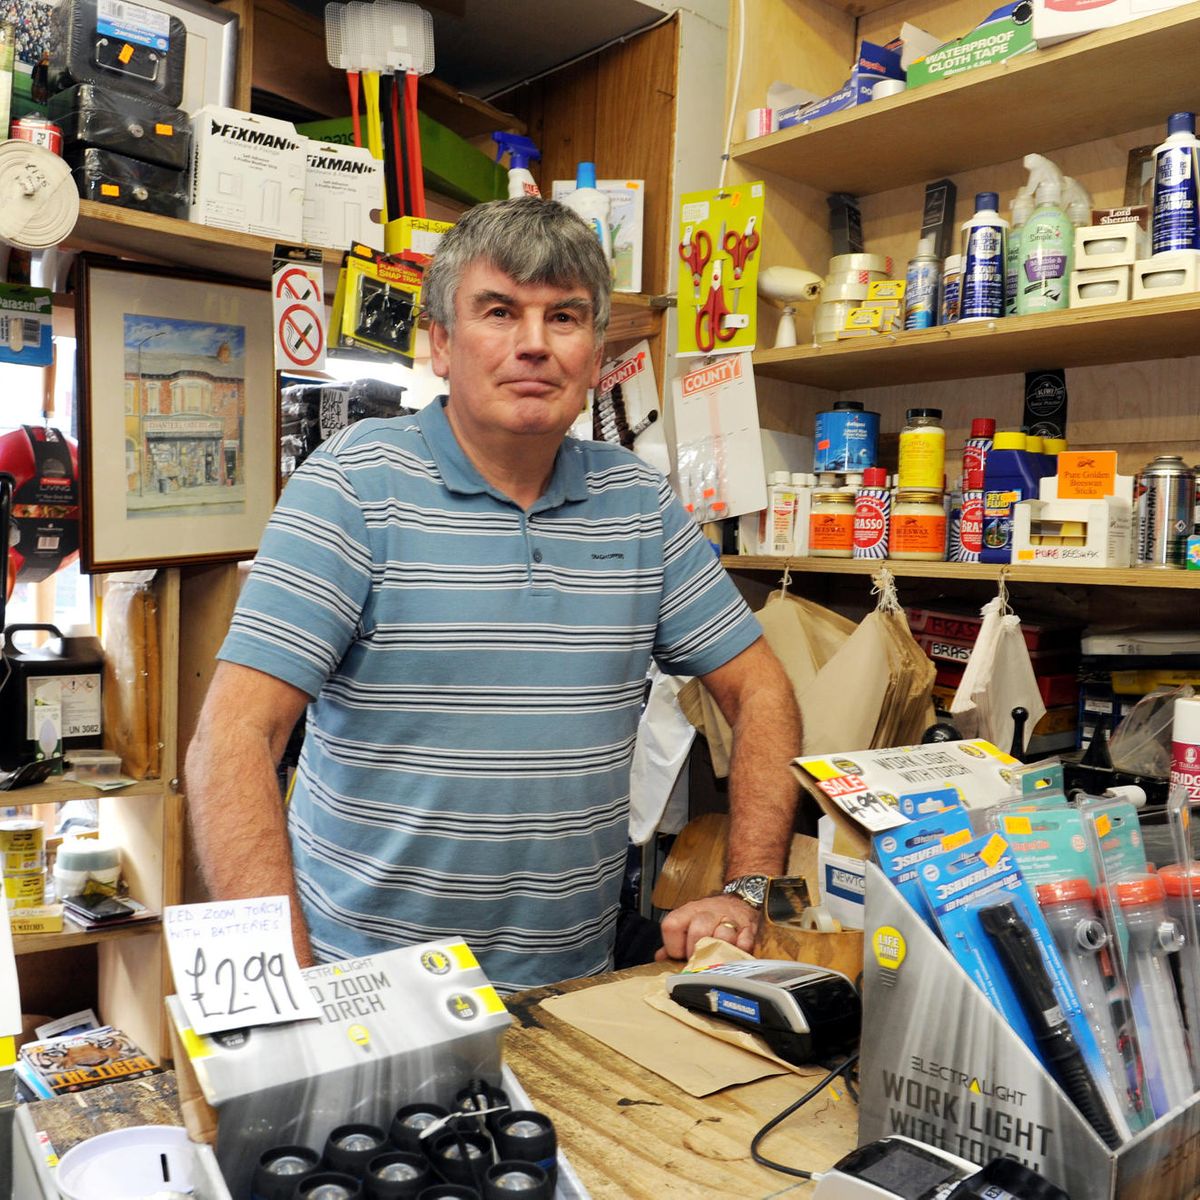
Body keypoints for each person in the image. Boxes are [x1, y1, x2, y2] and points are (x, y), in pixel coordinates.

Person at [185, 197, 801, 992]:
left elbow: (762, 691)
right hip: (369, 988)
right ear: (441, 343)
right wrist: (286, 994)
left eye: (566, 317)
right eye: (500, 312)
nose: (534, 346)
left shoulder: (640, 504)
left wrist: (747, 887)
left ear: (595, 348)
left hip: (574, 990)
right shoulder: (351, 487)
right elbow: (232, 740)